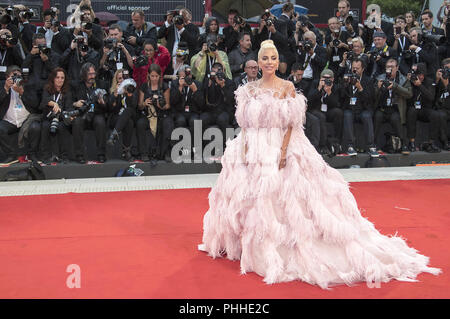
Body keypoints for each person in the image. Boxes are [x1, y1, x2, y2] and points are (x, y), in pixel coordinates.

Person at [198, 39, 441, 289]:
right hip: (251, 148)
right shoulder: (248, 90)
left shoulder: (287, 87)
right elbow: (246, 125)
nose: (269, 62)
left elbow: (292, 125)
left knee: (287, 199)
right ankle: (247, 242)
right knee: (245, 197)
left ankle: (281, 245)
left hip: (281, 146)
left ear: (277, 60)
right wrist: (246, 150)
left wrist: (282, 153)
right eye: (265, 58)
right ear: (258, 62)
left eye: (273, 58)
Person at [40, 68, 73, 163]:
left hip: (61, 117)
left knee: (62, 127)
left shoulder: (67, 92)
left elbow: (69, 109)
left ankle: (64, 156)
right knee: (45, 126)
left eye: (62, 78)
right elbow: (43, 102)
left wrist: (60, 110)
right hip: (48, 117)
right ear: (53, 78)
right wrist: (53, 103)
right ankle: (45, 156)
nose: (60, 80)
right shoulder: (47, 89)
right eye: (58, 77)